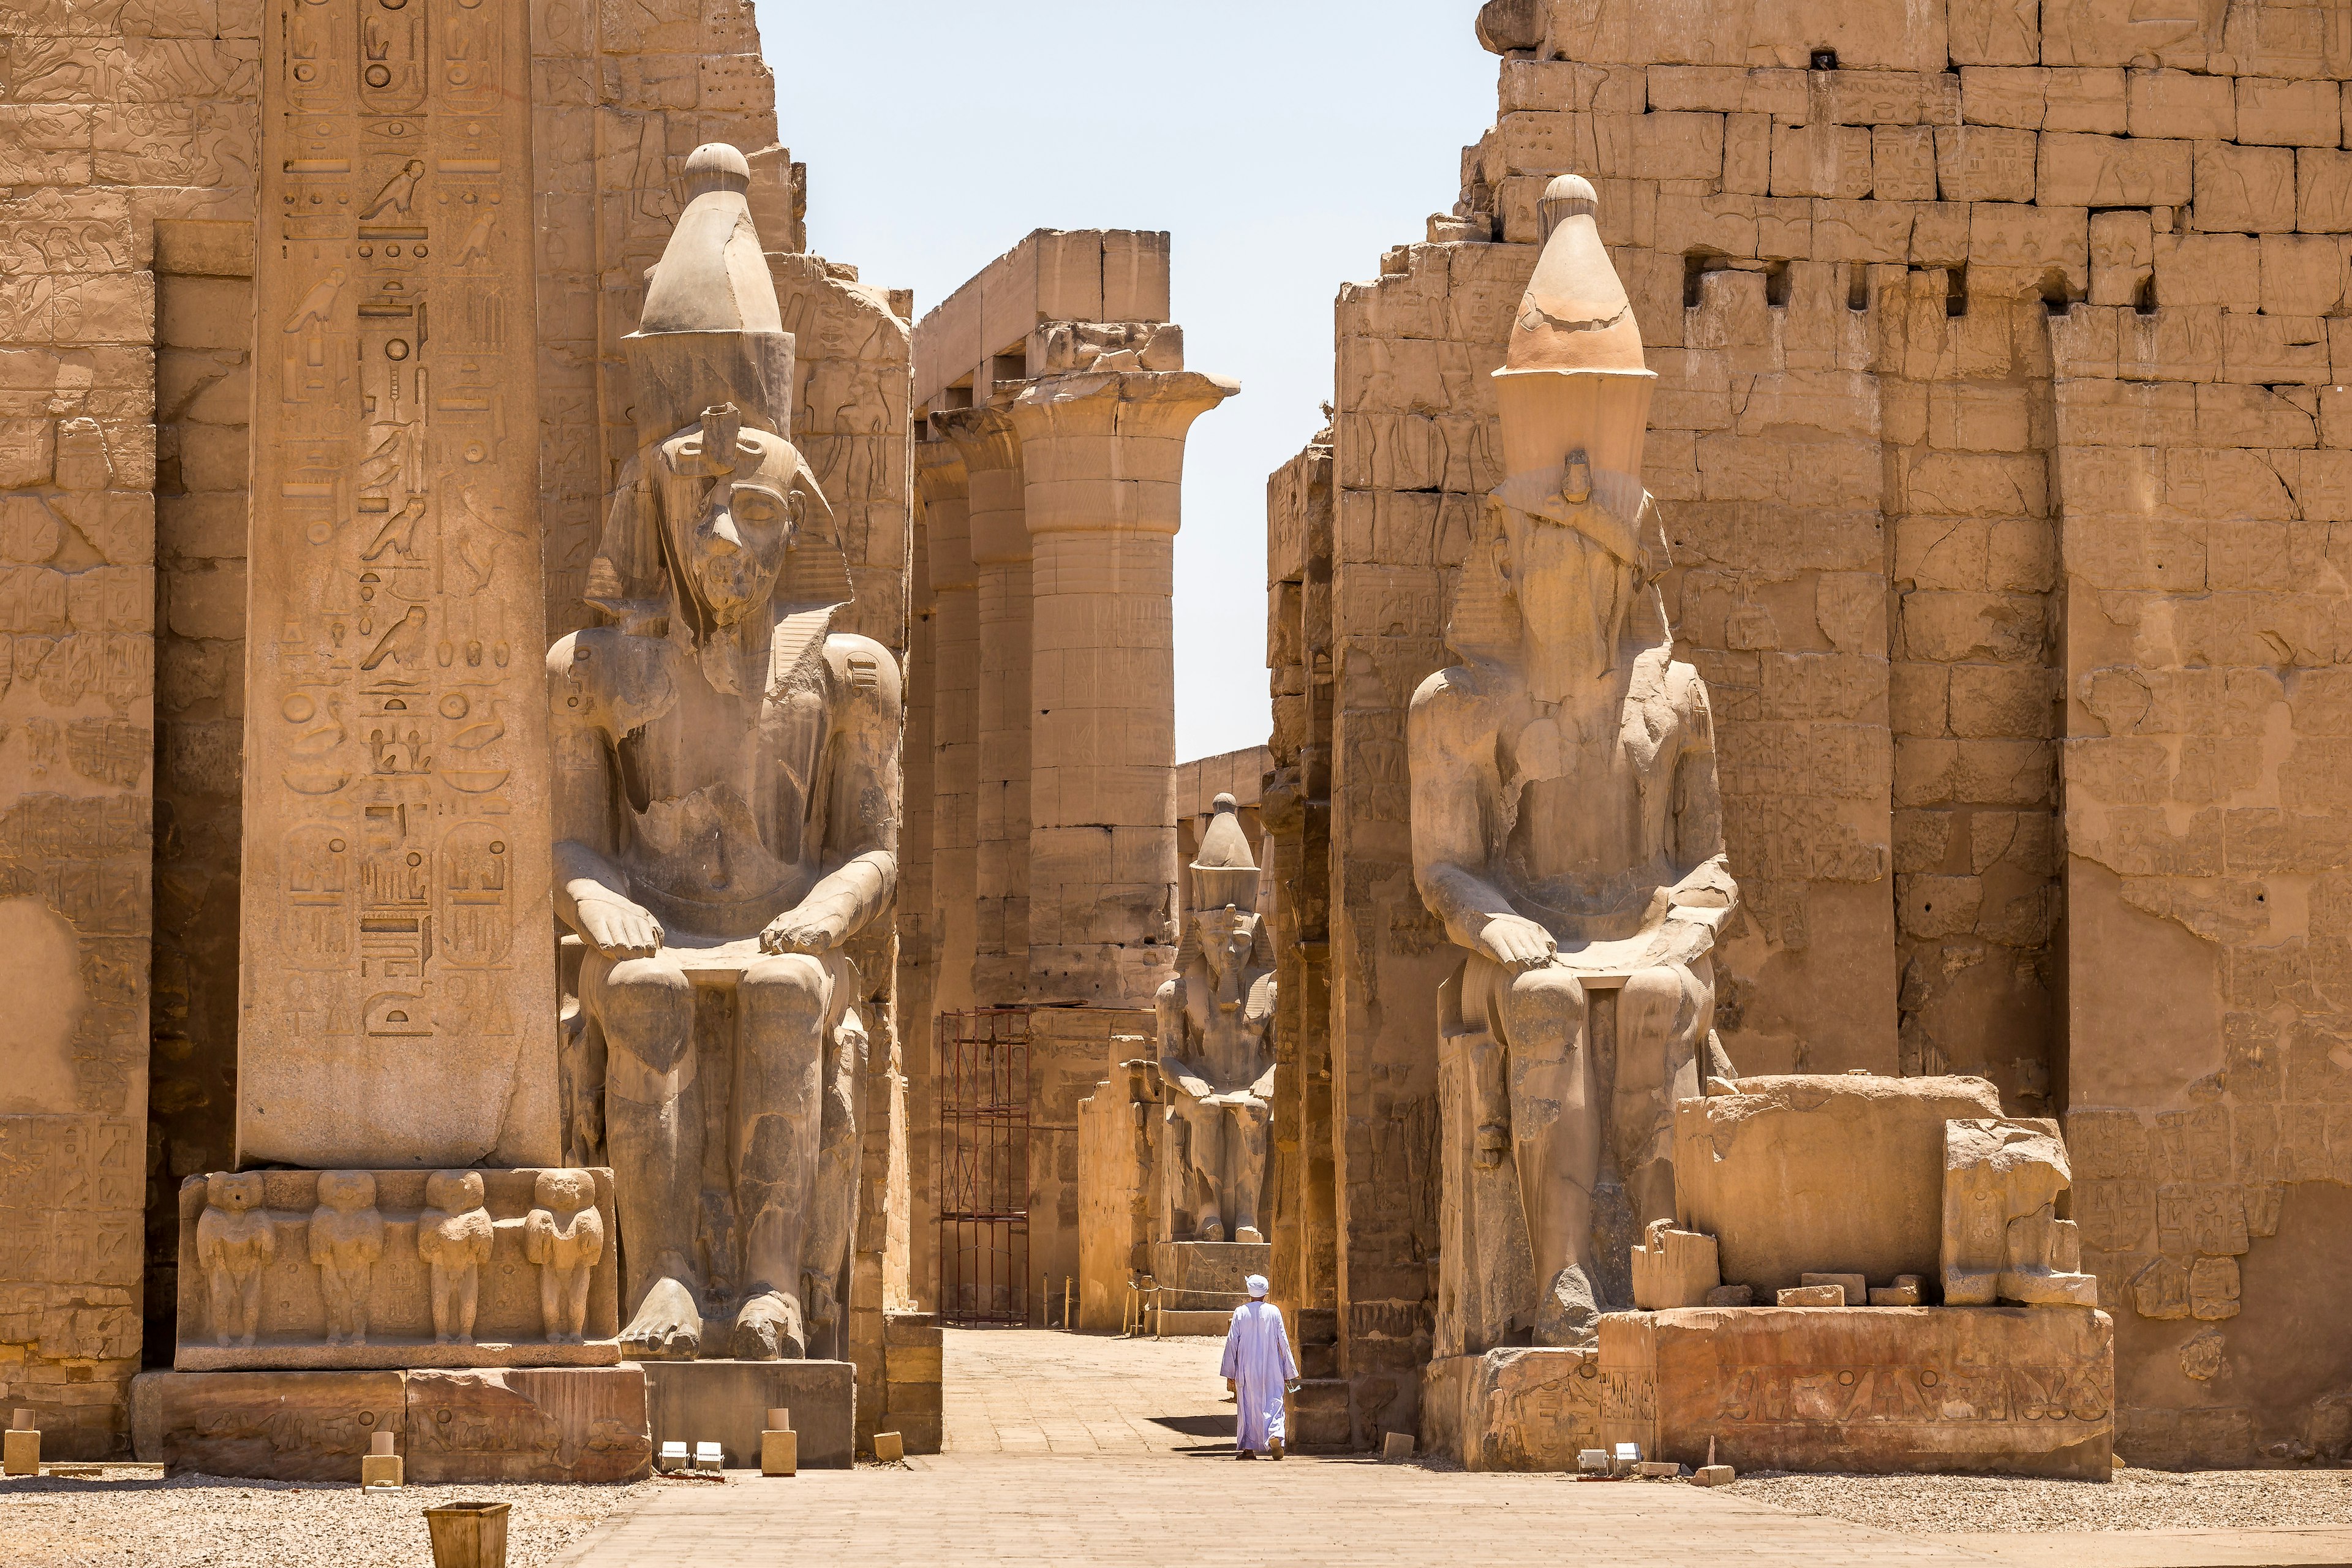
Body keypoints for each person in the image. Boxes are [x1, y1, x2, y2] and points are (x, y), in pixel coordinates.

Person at [1220, 1274, 1298, 1460]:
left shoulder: (1240, 1312)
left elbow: (1232, 1343)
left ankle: (1248, 1449)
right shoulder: (1274, 1312)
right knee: (1274, 1401)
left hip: (1247, 1369)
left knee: (1248, 1406)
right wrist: (1288, 1371)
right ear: (1265, 1292)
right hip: (1272, 1367)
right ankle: (1274, 1435)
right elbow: (1283, 1342)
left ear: (1249, 1291)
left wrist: (1230, 1372)